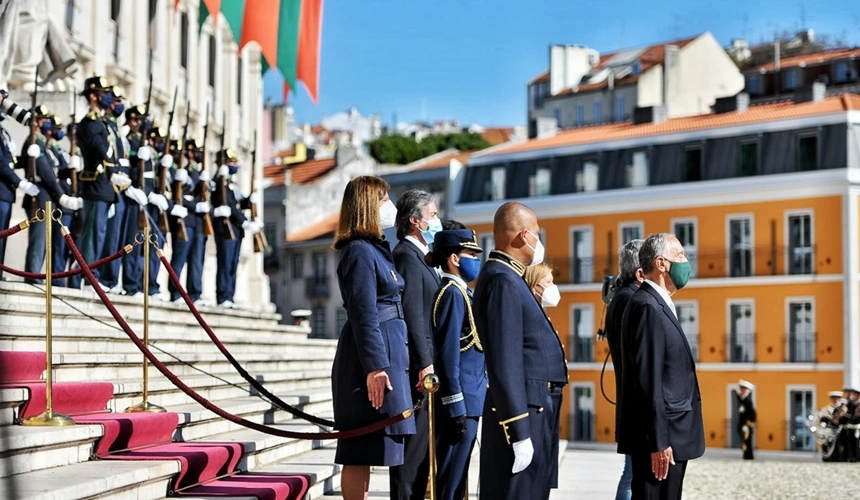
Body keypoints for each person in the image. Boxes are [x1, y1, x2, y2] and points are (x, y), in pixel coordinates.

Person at [473, 201, 567, 500]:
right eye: (537, 234)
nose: (539, 241)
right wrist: (518, 429)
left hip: (535, 403)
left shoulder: (510, 277)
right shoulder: (503, 281)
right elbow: (506, 360)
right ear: (524, 236)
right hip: (525, 408)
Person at [330, 176, 415, 500]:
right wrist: (376, 367)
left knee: (377, 447)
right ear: (368, 206)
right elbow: (364, 313)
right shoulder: (359, 252)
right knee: (358, 449)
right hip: (368, 363)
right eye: (382, 199)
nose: (388, 206)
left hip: (389, 357)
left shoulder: (376, 251)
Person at [618, 233, 704, 500]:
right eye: (679, 255)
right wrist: (659, 441)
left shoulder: (658, 303)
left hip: (670, 434)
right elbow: (648, 379)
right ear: (661, 263)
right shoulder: (648, 307)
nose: (686, 261)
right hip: (662, 440)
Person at [389, 188, 442, 500]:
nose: (437, 221)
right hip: (418, 369)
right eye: (432, 215)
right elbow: (414, 316)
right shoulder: (406, 257)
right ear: (415, 221)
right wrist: (425, 363)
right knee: (412, 454)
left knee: (423, 451)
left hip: (426, 365)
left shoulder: (420, 257)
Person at [426, 229, 486, 500]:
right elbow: (448, 355)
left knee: (458, 479)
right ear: (454, 259)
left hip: (472, 399)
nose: (476, 259)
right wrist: (456, 406)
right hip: (460, 402)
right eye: (471, 254)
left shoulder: (463, 293)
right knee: (450, 482)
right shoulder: (452, 294)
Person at [71, 75, 121, 289]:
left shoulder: (101, 122)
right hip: (95, 185)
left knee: (100, 235)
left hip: (105, 187)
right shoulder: (90, 123)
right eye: (104, 94)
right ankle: (85, 277)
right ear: (93, 96)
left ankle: (92, 275)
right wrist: (113, 171)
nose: (108, 98)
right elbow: (100, 150)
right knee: (92, 235)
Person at [22, 105, 82, 283]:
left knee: (44, 240)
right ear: (36, 122)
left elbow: (53, 171)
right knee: (39, 240)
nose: (48, 123)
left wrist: (69, 169)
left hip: (48, 197)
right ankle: (33, 275)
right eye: (45, 120)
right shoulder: (34, 141)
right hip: (39, 195)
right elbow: (44, 171)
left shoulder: (41, 143)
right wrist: (60, 194)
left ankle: (36, 275)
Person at [605, 239, 644, 500]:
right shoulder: (632, 299)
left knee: (631, 474)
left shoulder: (619, 297)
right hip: (636, 401)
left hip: (629, 398)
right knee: (632, 476)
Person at [211, 148, 262, 307]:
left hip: (235, 230)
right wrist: (244, 221)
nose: (235, 165)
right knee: (225, 263)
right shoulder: (218, 182)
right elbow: (229, 206)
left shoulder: (231, 184)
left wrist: (249, 200)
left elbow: (238, 204)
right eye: (231, 162)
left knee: (232, 264)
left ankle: (229, 296)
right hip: (226, 228)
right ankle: (222, 296)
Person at [122, 125, 167, 297]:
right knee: (135, 243)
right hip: (138, 200)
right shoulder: (134, 145)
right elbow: (133, 173)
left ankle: (150, 286)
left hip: (153, 204)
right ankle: (132, 285)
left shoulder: (157, 156)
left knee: (154, 246)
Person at [98, 87, 134, 293]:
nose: (119, 104)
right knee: (110, 234)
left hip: (122, 186)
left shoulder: (117, 130)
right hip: (110, 184)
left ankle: (112, 279)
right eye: (116, 100)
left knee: (118, 236)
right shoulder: (105, 126)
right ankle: (105, 277)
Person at [0, 100, 40, 279]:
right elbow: (1, 164)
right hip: (2, 190)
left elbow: (10, 160)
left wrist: (26, 158)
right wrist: (19, 183)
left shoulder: (4, 133)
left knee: (3, 237)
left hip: (6, 193)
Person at [736, 379, 757, 460]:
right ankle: (746, 456)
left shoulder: (747, 401)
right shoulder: (743, 400)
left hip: (746, 425)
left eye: (743, 389)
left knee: (747, 442)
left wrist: (747, 425)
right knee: (744, 441)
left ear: (746, 391)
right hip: (743, 424)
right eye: (741, 389)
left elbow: (753, 414)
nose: (741, 390)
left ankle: (748, 457)